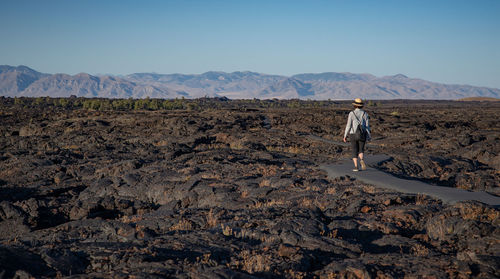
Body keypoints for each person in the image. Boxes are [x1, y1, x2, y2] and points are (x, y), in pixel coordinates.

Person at [343, 98, 371, 171]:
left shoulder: (351, 113)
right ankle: (361, 159)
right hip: (362, 134)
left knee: (354, 150)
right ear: (361, 105)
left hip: (353, 134)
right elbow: (367, 126)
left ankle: (356, 167)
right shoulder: (365, 114)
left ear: (355, 105)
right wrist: (369, 135)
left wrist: (345, 135)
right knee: (361, 149)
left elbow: (348, 125)